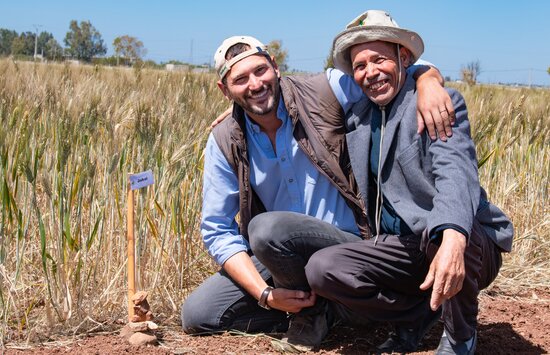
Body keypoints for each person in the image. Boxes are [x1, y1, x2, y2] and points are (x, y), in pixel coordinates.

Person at [181, 34, 452, 352]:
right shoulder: (225, 139)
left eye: (260, 71)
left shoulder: (325, 89)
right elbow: (217, 230)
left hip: (347, 246)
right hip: (281, 258)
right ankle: (326, 308)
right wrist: (265, 295)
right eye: (240, 80)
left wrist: (430, 81)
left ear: (276, 69)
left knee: (267, 229)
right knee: (200, 315)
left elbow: (397, 68)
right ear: (225, 90)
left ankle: (324, 309)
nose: (255, 84)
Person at [305, 10, 514, 355]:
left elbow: (455, 173)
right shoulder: (357, 117)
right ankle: (419, 315)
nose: (370, 72)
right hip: (400, 248)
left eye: (379, 59)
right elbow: (291, 96)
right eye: (360, 65)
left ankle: (460, 333)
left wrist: (452, 238)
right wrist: (239, 110)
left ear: (403, 58)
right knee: (323, 270)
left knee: (445, 226)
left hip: (464, 242)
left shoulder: (435, 104)